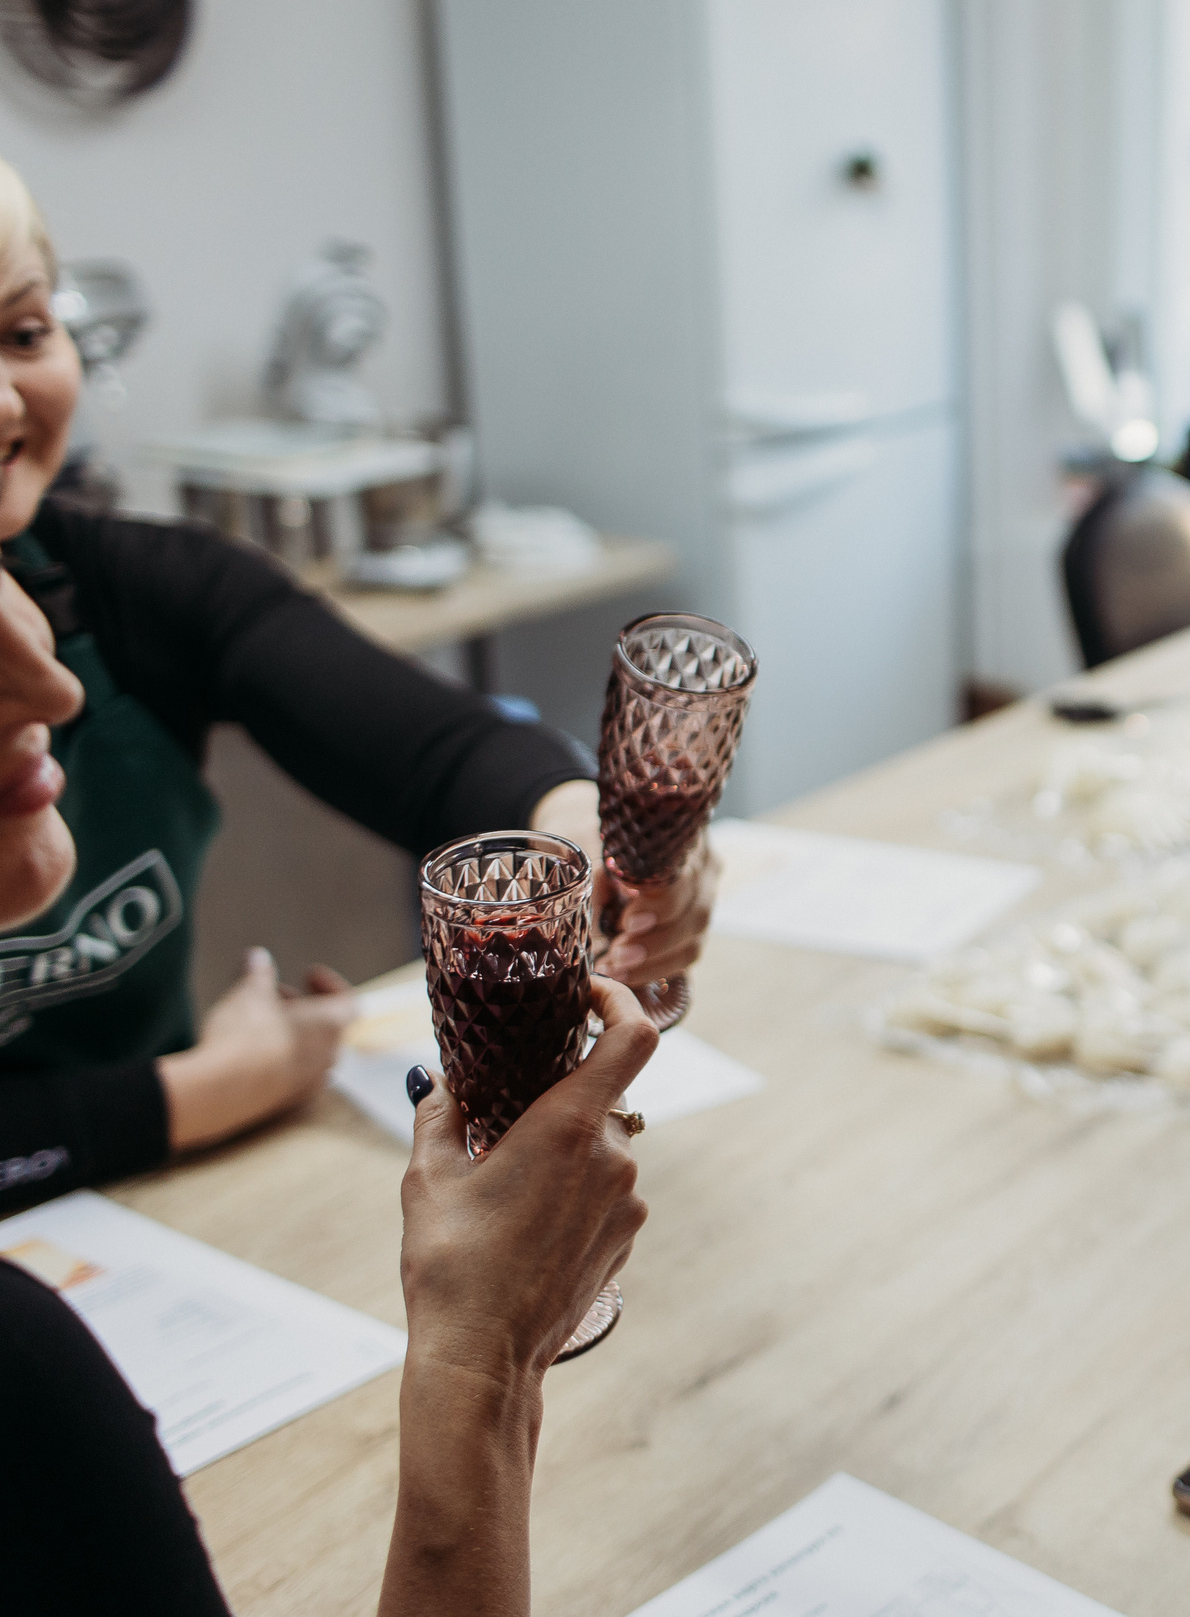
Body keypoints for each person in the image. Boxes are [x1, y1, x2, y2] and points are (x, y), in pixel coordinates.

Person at [0, 156, 712, 1215]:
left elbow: (446, 754)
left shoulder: (142, 586)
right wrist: (207, 1089)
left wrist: (598, 845)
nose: (8, 394)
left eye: (22, 332)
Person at [0, 549, 657, 1612]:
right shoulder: (26, 1378)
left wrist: (597, 849)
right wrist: (478, 1366)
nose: (57, 691)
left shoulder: (108, 567)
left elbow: (438, 745)